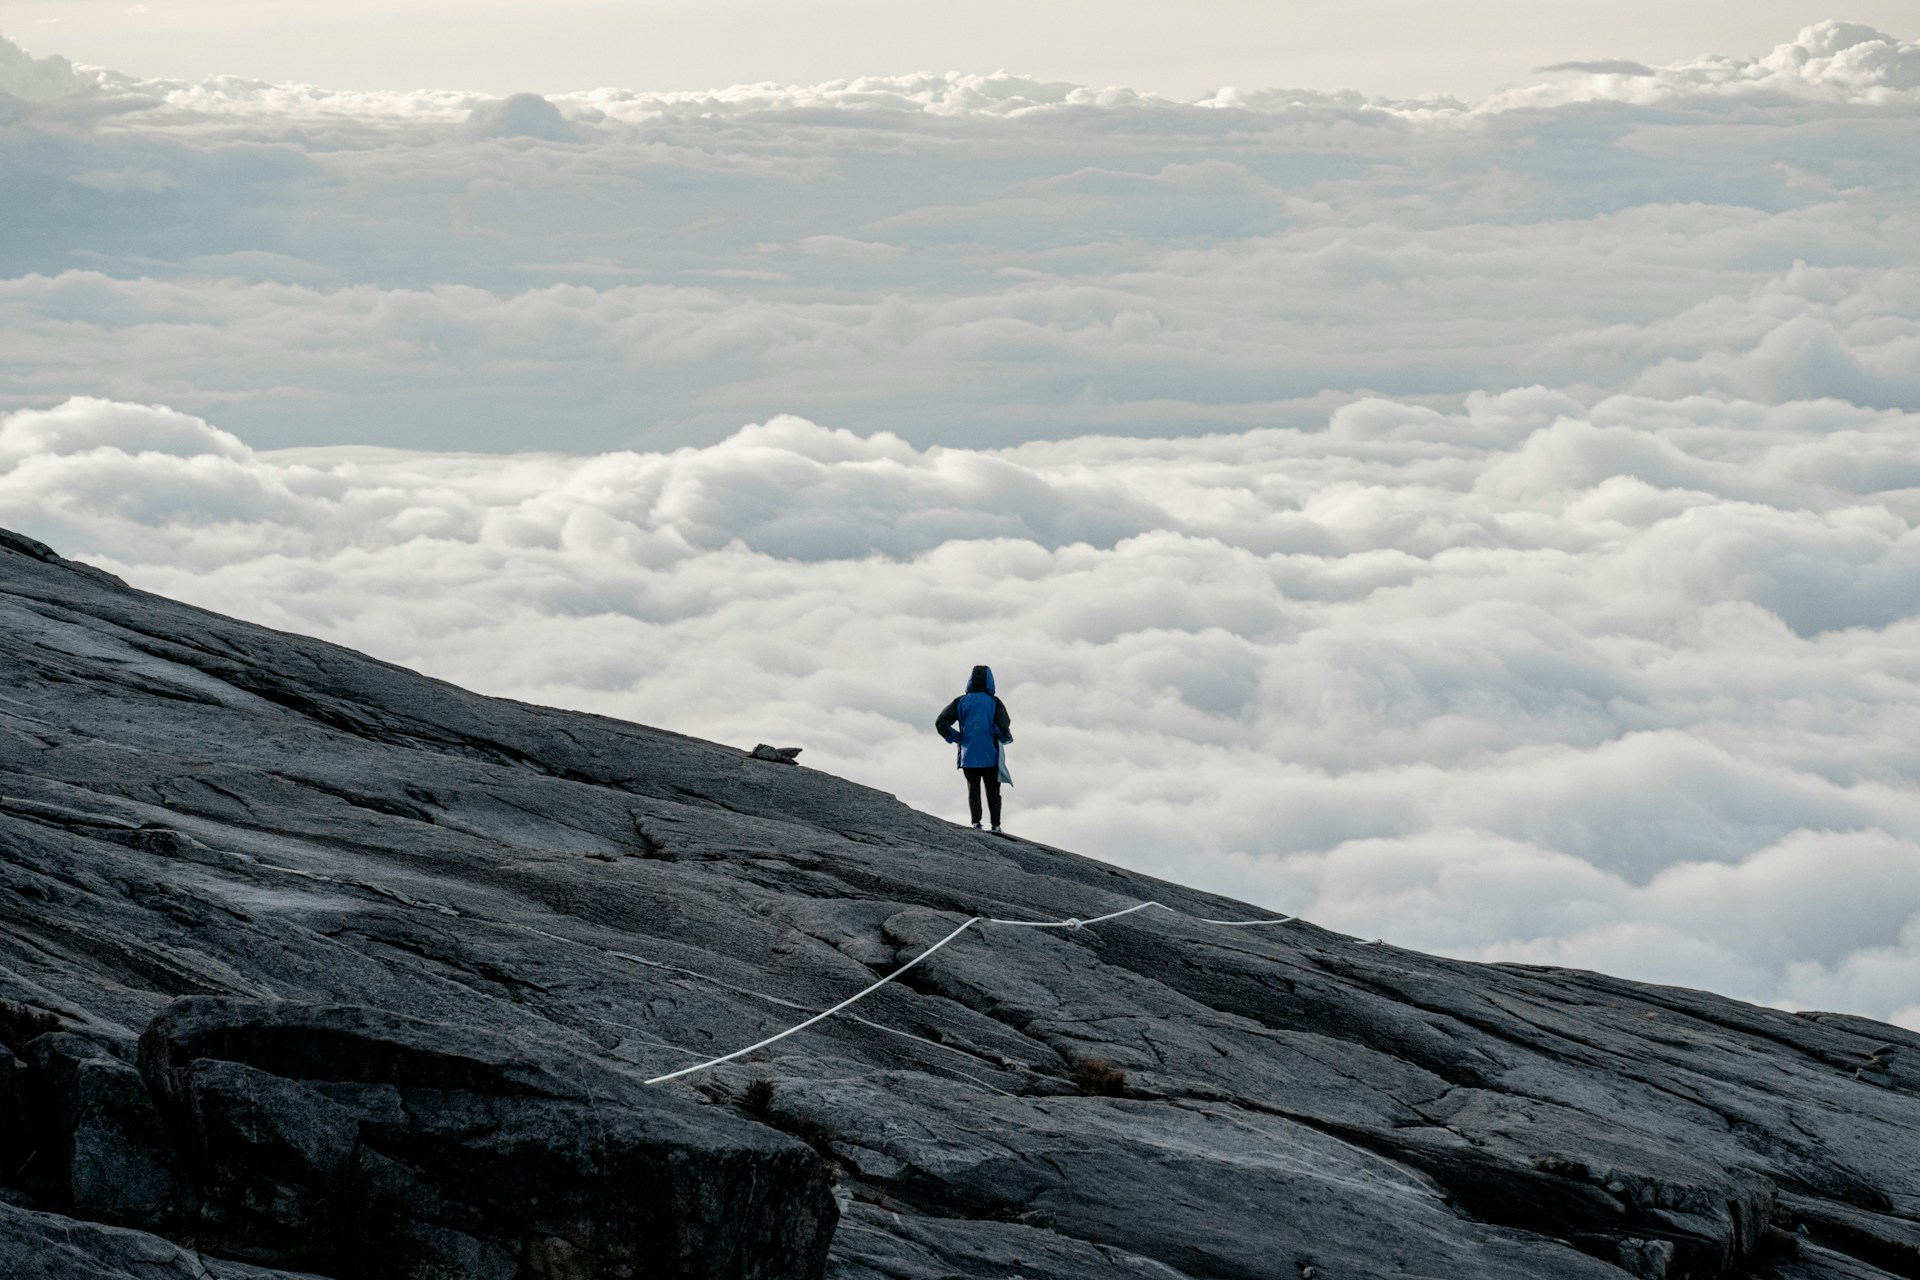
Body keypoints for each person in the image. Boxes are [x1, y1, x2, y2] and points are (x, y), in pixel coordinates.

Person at [934, 664, 1013, 834]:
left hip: (968, 755)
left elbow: (941, 722)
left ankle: (976, 823)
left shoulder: (960, 701)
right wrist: (1001, 737)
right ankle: (996, 826)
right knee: (993, 791)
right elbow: (1003, 725)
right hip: (991, 755)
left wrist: (957, 738)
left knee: (973, 790)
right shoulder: (994, 702)